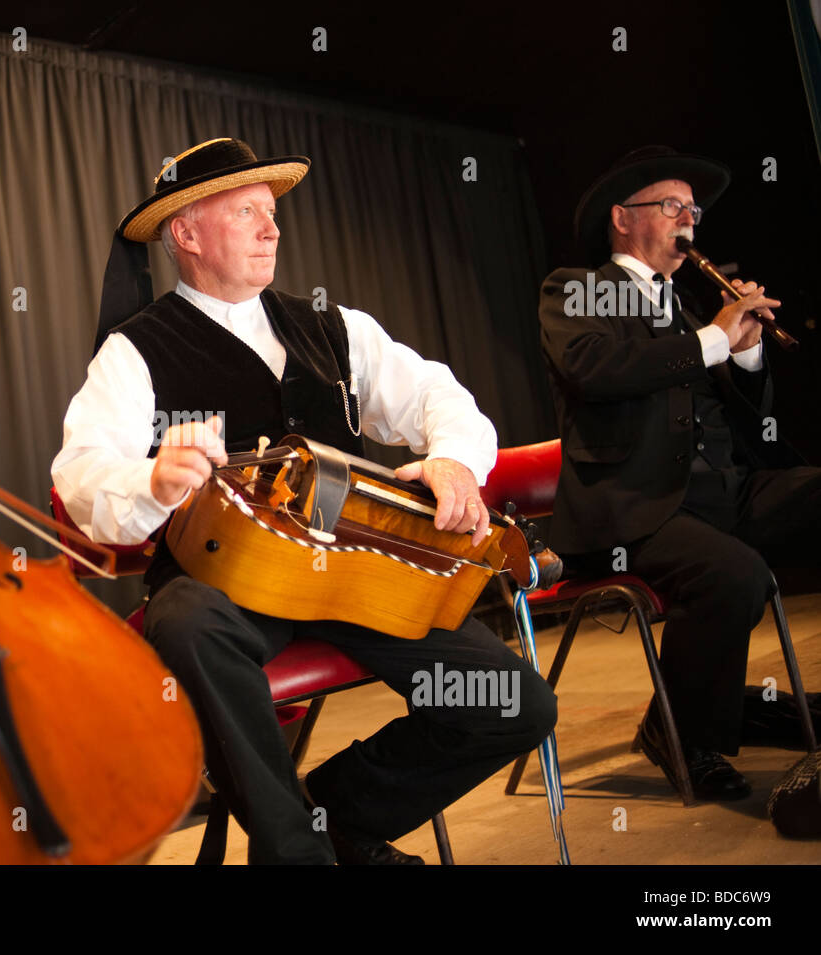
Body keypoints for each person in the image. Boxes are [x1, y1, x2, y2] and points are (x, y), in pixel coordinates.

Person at [53, 137, 557, 864]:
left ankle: (330, 822)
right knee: (187, 625)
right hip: (226, 582)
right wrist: (153, 480)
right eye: (247, 211)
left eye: (272, 211)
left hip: (354, 571)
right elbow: (83, 471)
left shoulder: (333, 327)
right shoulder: (134, 351)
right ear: (187, 235)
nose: (272, 227)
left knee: (513, 703)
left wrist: (453, 460)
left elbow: (437, 395)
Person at [539, 145, 820, 800]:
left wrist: (746, 355)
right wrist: (715, 339)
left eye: (692, 209)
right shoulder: (576, 289)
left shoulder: (692, 311)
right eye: (672, 205)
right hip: (633, 507)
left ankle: (725, 706)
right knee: (735, 574)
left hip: (719, 492)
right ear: (622, 217)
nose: (688, 218)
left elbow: (747, 427)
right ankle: (683, 735)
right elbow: (597, 371)